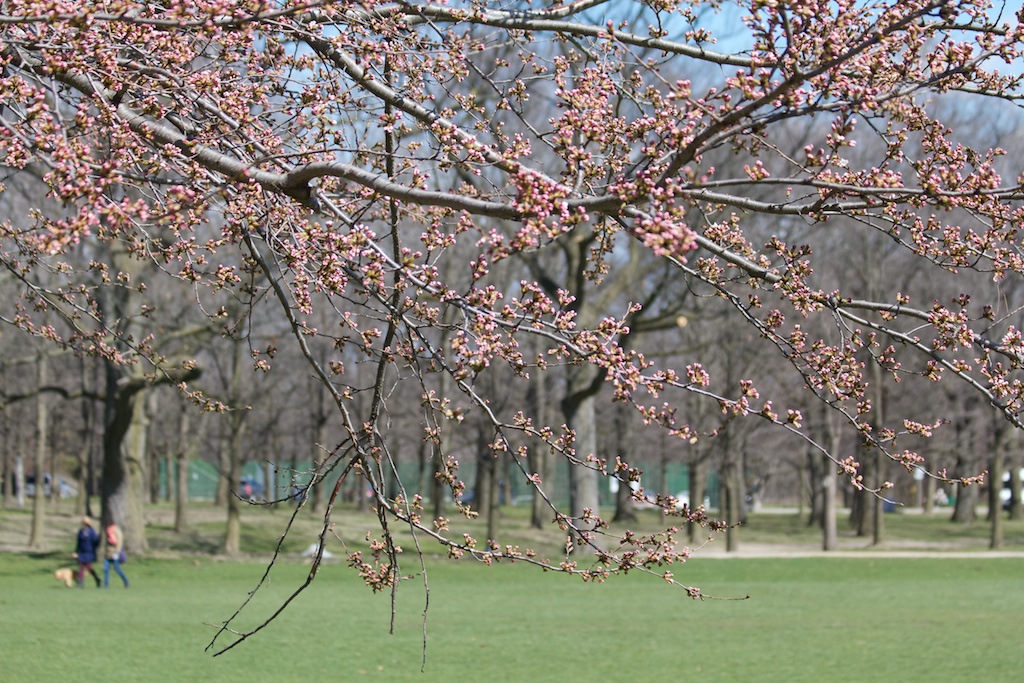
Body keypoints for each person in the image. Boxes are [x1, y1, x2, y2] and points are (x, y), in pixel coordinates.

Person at [73, 516, 101, 588]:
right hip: (82, 552)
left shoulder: (92, 531)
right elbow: (78, 542)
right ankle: (80, 583)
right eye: (83, 522)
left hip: (89, 552)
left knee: (89, 567)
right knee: (81, 567)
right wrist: (76, 551)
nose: (83, 524)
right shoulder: (81, 531)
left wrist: (94, 548)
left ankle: (97, 578)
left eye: (85, 523)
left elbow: (96, 541)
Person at [102, 520, 130, 588]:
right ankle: (106, 585)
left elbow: (119, 542)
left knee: (117, 569)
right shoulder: (107, 531)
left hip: (114, 553)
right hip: (108, 554)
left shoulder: (116, 530)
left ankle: (126, 581)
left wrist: (117, 552)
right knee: (106, 569)